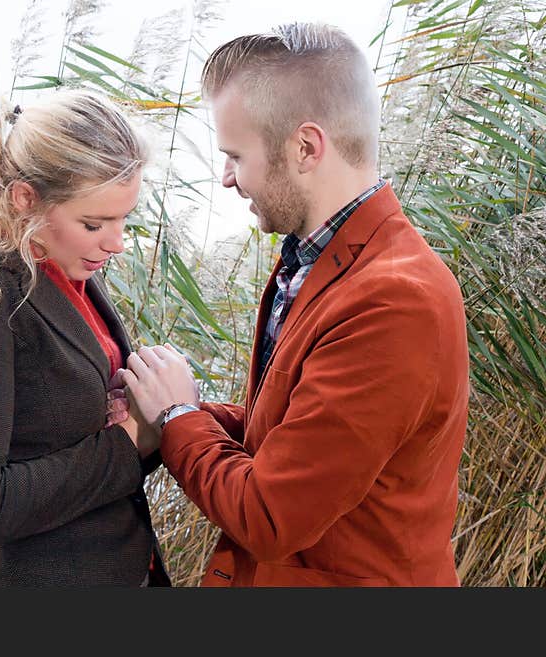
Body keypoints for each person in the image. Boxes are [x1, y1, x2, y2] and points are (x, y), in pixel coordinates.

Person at [109, 23, 469, 586]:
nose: (226, 179)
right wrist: (180, 407)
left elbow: (270, 515)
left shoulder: (395, 301)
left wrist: (178, 420)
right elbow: (285, 434)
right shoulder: (316, 261)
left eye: (235, 155)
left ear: (305, 147)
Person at [0, 90, 170, 586]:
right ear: (25, 199)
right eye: (94, 223)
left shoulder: (72, 276)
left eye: (123, 219)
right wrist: (133, 441)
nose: (116, 243)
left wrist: (166, 410)